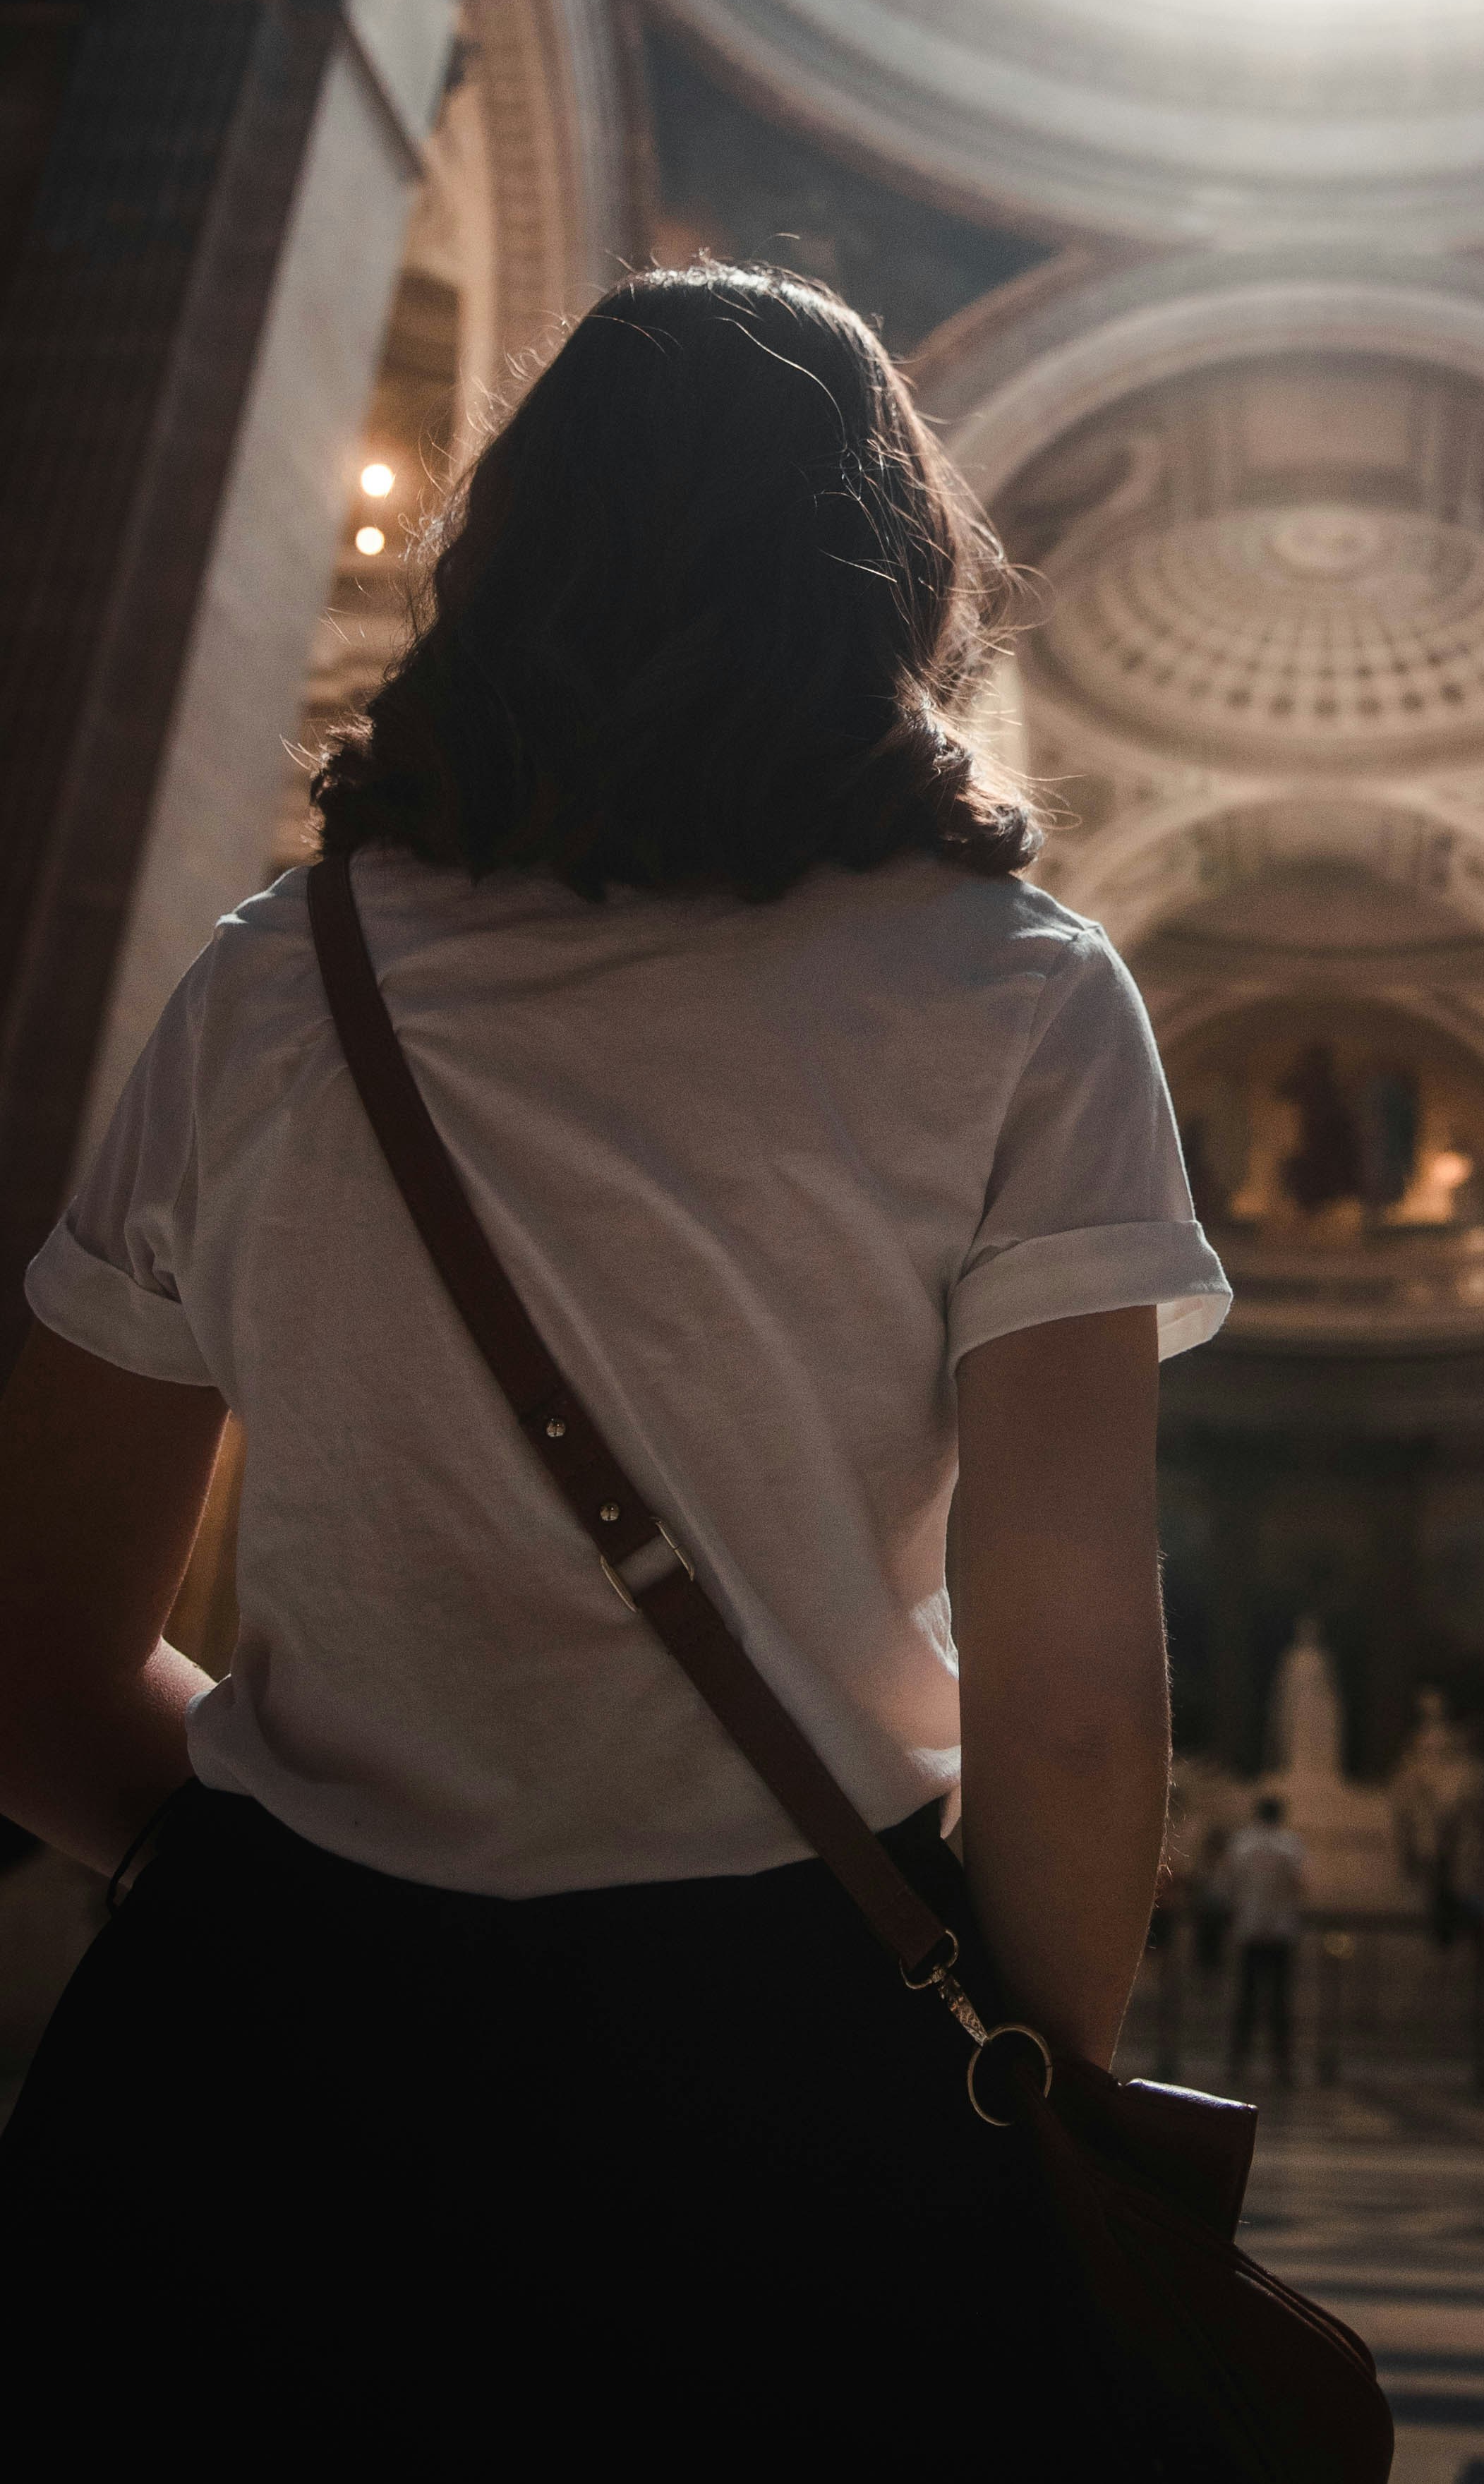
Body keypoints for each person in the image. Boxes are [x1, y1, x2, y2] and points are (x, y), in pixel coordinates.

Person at [0, 265, 1231, 2462]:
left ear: (506, 558)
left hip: (246, 2072)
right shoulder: (1023, 1002)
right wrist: (1027, 2100)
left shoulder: (273, 990)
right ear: (899, 582)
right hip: (793, 2072)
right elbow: (1071, 1707)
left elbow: (30, 1643)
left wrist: (281, 1876)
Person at [1222, 1790, 1307, 2080]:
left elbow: (1232, 1884)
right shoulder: (1290, 1846)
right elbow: (1299, 1886)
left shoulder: (1242, 1844)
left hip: (1249, 1928)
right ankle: (1282, 2065)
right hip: (1281, 1930)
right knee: (1280, 2001)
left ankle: (1237, 2062)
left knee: (1246, 1998)